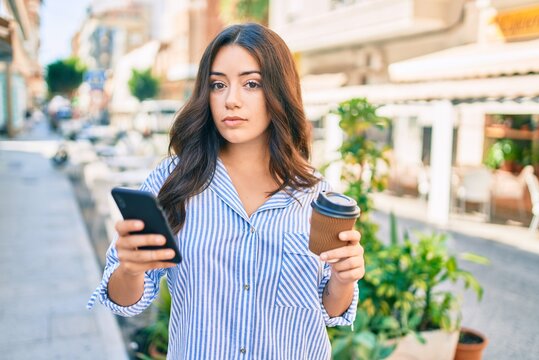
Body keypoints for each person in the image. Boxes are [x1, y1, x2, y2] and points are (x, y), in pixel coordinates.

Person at [88, 23, 365, 359]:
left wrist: (343, 278)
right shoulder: (174, 181)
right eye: (218, 85)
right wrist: (131, 268)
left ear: (279, 90)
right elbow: (125, 304)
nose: (231, 100)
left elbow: (330, 311)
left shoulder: (313, 192)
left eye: (251, 84)